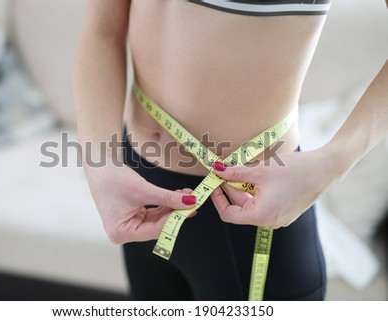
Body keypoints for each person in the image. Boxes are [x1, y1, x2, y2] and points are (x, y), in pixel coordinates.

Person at [72, 0, 388, 300]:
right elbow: (103, 32)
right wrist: (101, 167)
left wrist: (333, 161)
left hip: (249, 204)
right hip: (137, 183)